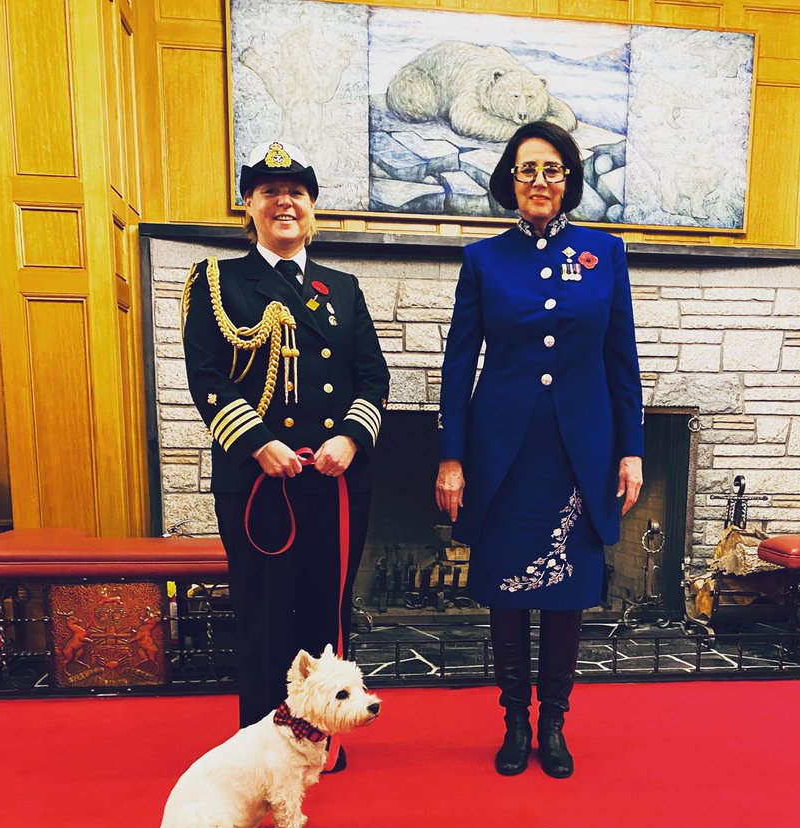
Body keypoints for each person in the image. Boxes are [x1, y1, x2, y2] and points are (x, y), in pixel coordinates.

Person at [435, 121, 643, 780]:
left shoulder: (604, 254)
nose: (539, 182)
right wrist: (451, 454)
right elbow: (458, 363)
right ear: (510, 181)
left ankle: (554, 720)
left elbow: (622, 362)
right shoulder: (484, 260)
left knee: (567, 587)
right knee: (507, 588)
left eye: (551, 169)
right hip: (504, 453)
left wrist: (631, 450)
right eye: (527, 170)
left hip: (580, 451)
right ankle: (513, 720)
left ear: (568, 180)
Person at [182, 141, 389, 769]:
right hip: (259, 482)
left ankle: (320, 736)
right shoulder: (219, 280)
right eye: (270, 191)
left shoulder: (344, 289)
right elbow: (207, 375)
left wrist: (350, 438)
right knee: (265, 612)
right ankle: (260, 746)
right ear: (250, 206)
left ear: (313, 209)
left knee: (325, 611)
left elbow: (372, 379)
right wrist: (256, 441)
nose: (284, 202)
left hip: (332, 480)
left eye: (296, 192)